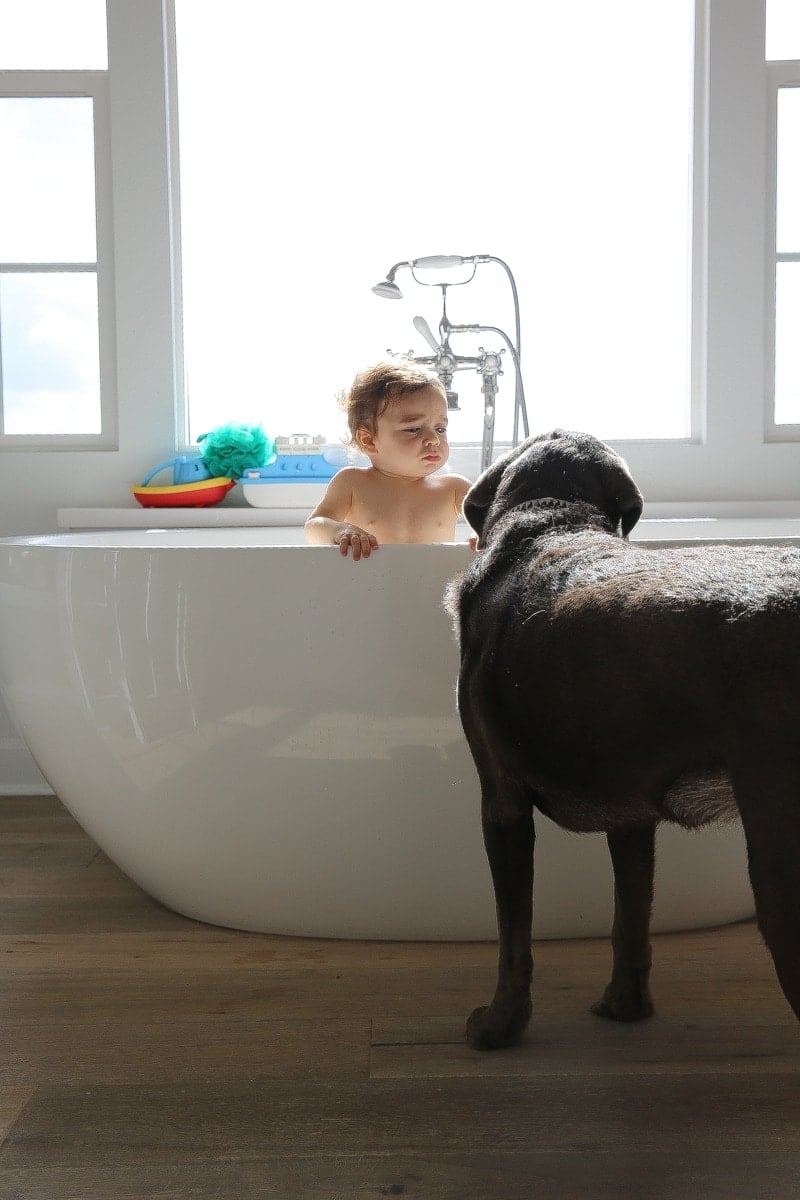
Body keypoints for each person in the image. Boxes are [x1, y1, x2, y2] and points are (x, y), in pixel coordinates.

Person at [304, 359, 473, 560]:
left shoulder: (453, 489)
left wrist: (481, 534)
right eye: (413, 429)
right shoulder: (353, 483)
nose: (434, 439)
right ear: (369, 441)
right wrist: (340, 531)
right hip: (370, 587)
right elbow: (314, 527)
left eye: (440, 428)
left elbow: (499, 519)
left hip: (434, 588)